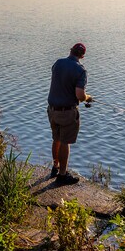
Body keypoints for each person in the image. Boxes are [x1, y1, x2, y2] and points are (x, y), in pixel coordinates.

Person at [47, 42, 93, 185]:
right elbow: (80, 95)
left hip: (52, 110)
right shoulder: (80, 70)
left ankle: (55, 167)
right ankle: (62, 175)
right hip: (67, 112)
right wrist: (88, 98)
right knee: (65, 142)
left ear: (70, 50)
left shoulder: (58, 63)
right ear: (82, 56)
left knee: (56, 138)